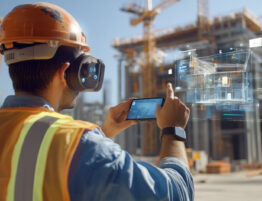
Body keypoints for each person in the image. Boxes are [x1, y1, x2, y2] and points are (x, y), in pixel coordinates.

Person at [0, 2, 194, 201]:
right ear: (64, 73)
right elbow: (177, 193)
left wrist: (105, 133)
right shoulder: (82, 145)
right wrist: (173, 130)